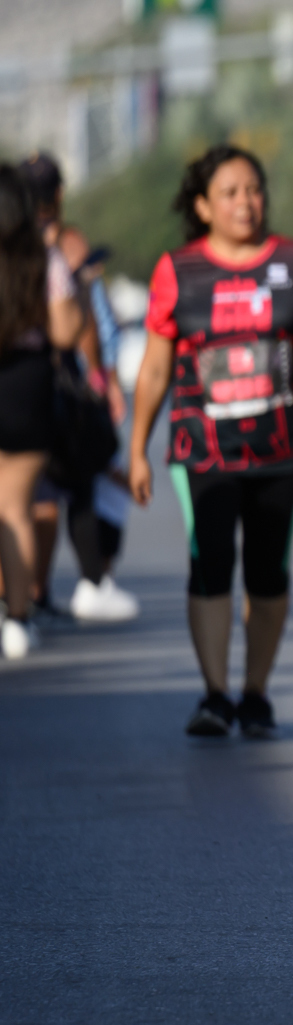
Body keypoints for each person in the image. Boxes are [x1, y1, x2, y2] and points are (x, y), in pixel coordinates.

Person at [128, 146, 293, 737]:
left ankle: (255, 693)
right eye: (229, 192)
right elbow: (153, 368)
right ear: (202, 206)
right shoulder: (178, 270)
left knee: (267, 571)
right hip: (202, 449)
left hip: (282, 447)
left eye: (253, 189)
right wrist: (136, 447)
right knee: (210, 562)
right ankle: (215, 694)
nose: (245, 202)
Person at [18, 153, 136, 624]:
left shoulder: (12, 241)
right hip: (56, 379)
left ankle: (28, 599)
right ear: (59, 194)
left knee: (30, 494)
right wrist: (102, 380)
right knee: (72, 480)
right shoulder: (63, 244)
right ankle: (70, 585)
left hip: (20, 378)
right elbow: (81, 325)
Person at [0, 164, 86, 659]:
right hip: (28, 385)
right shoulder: (43, 257)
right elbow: (65, 333)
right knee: (17, 509)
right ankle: (17, 618)